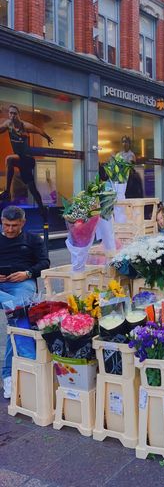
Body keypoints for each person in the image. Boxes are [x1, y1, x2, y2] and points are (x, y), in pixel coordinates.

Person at [0, 205, 50, 398]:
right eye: (5, 225)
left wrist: (27, 273)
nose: (9, 229)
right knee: (18, 312)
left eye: (14, 225)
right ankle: (20, 370)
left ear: (23, 223)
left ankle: (8, 377)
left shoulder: (32, 239)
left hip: (21, 284)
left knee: (18, 313)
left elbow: (44, 262)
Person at [0, 105, 53, 218]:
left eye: (14, 113)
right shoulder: (8, 124)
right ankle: (42, 208)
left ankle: (7, 191)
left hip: (28, 159)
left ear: (19, 114)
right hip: (20, 161)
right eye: (10, 113)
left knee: (9, 159)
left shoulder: (25, 126)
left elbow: (39, 130)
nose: (12, 116)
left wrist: (48, 138)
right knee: (32, 188)